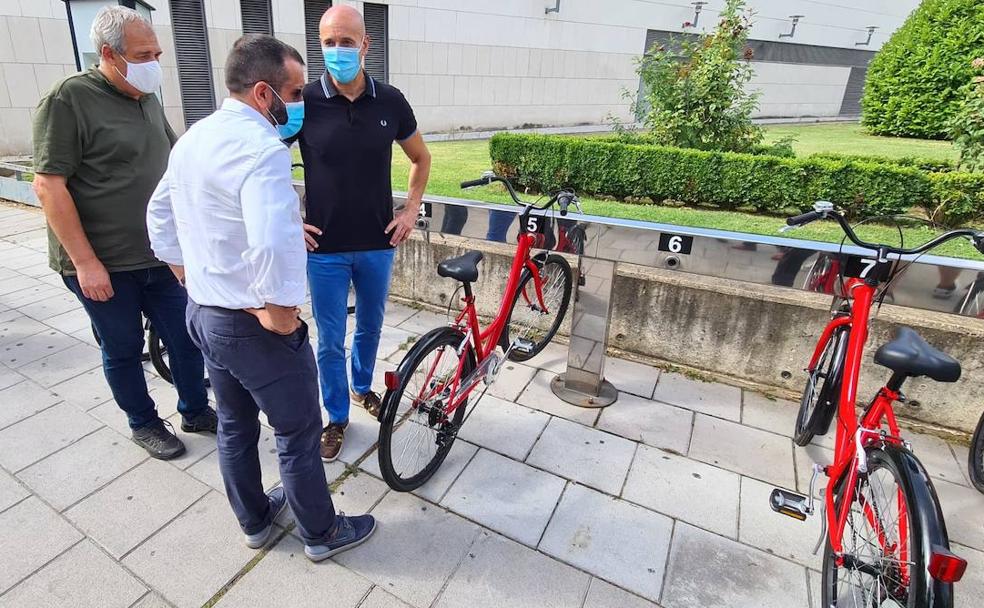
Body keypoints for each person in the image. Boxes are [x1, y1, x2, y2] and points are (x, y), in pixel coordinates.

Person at [146, 34, 375, 560]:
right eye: (295, 92)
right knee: (298, 430)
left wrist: (190, 276)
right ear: (264, 93)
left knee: (234, 423)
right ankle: (321, 533)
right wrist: (280, 314)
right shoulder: (261, 151)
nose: (301, 104)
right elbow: (272, 241)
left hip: (205, 313)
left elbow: (159, 215)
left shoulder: (194, 139)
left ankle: (254, 520)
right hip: (252, 323)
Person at [32, 5, 214, 460]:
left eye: (157, 52)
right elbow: (48, 186)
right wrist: (86, 263)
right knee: (124, 347)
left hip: (159, 254)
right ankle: (145, 423)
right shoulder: (67, 99)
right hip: (104, 264)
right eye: (143, 53)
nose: (155, 63)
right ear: (110, 55)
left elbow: (175, 160)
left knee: (188, 333)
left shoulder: (144, 94)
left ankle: (195, 408)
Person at [297, 5, 431, 461]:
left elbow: (421, 158)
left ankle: (361, 388)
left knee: (371, 327)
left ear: (365, 45)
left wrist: (411, 209)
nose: (338, 51)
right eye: (329, 42)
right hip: (324, 248)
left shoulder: (390, 101)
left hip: (378, 241)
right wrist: (287, 220)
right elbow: (267, 161)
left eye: (346, 42)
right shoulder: (303, 101)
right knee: (330, 338)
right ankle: (335, 416)